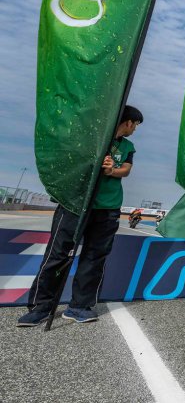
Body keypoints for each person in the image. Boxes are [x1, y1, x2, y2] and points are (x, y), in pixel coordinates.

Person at [17, 106, 143, 326]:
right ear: (129, 122)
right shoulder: (92, 137)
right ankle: (41, 306)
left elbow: (126, 168)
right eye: (136, 125)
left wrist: (112, 169)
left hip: (108, 207)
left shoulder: (127, 146)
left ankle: (80, 306)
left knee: (94, 257)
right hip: (75, 203)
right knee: (57, 254)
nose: (135, 130)